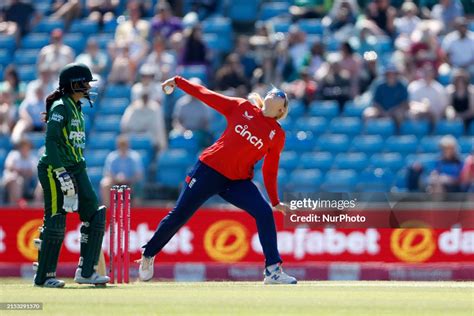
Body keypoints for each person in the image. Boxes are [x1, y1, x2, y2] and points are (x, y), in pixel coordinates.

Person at [138, 76, 297, 285]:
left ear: (281, 111)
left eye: (281, 96)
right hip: (209, 170)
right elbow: (207, 95)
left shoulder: (277, 134)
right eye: (273, 91)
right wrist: (179, 81)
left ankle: (273, 271)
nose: (276, 93)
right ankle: (148, 254)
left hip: (237, 181)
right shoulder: (241, 107)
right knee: (180, 214)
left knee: (265, 212)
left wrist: (275, 201)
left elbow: (270, 170)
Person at [34, 63, 109, 287]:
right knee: (56, 219)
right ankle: (44, 276)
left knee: (95, 215)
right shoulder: (60, 106)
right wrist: (60, 171)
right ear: (74, 83)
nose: (88, 86)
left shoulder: (76, 106)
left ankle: (87, 272)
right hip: (54, 168)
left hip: (77, 166)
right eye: (85, 82)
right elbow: (51, 141)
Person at [100, 135, 143, 205]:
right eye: (121, 145)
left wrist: (127, 179)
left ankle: (136, 211)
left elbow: (139, 175)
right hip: (115, 182)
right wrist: (117, 178)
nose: (123, 147)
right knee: (105, 183)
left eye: (124, 144)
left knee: (138, 185)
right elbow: (107, 173)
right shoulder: (112, 156)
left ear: (128, 145)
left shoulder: (135, 157)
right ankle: (107, 210)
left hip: (130, 182)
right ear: (117, 146)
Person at [2, 138, 37, 204]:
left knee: (18, 181)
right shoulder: (13, 154)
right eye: (22, 147)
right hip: (9, 180)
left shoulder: (32, 157)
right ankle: (16, 205)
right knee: (15, 180)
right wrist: (22, 171)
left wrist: (18, 170)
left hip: (26, 182)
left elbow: (31, 172)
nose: (24, 149)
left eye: (26, 147)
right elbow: (9, 167)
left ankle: (14, 206)